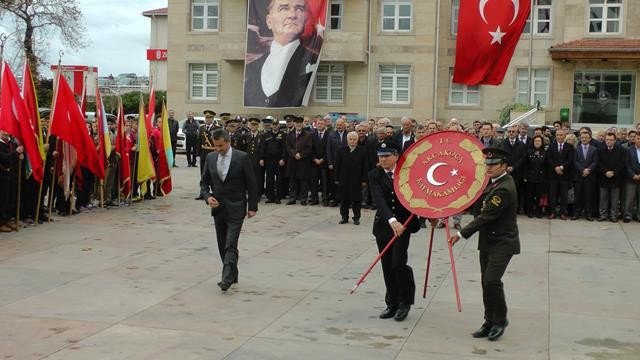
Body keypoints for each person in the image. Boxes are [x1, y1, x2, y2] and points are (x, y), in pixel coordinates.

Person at [449, 147, 520, 342]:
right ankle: (489, 320)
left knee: (491, 281)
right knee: (486, 283)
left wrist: (461, 234)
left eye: (493, 164)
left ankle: (500, 320)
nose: (488, 168)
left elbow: (487, 216)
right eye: (486, 164)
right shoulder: (495, 183)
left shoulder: (504, 187)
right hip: (489, 241)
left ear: (504, 166)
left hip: (503, 242)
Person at [200, 129, 258, 291]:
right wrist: (207, 197)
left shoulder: (242, 157)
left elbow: (252, 183)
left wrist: (253, 206)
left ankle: (226, 279)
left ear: (228, 141)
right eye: (215, 146)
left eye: (221, 146)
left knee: (230, 244)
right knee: (221, 244)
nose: (218, 149)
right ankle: (233, 273)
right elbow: (204, 183)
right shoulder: (211, 158)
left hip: (237, 206)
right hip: (218, 208)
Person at [369, 140, 420, 322]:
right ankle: (391, 303)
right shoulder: (375, 175)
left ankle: (405, 301)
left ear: (396, 156)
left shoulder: (408, 173)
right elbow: (379, 201)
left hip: (404, 226)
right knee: (387, 266)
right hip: (384, 226)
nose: (382, 159)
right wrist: (392, 220)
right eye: (380, 156)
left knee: (398, 263)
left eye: (386, 156)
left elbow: (420, 195)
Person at [244, 0, 319, 107]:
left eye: (299, 9)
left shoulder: (313, 61)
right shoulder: (251, 67)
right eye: (284, 8)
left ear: (305, 19)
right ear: (269, 21)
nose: (292, 15)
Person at [335, 132, 368, 225]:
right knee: (344, 200)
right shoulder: (341, 150)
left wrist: (364, 180)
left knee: (356, 200)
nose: (352, 141)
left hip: (357, 180)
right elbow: (337, 165)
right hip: (344, 179)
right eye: (351, 139)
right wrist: (336, 178)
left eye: (354, 139)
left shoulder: (362, 151)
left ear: (357, 140)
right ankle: (344, 217)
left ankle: (356, 218)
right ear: (347, 140)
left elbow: (365, 166)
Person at [285, 116, 312, 205]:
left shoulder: (307, 135)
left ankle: (303, 199)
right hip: (293, 160)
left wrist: (301, 154)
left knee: (303, 181)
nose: (299, 124)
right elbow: (288, 147)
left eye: (300, 123)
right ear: (294, 124)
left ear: (302, 124)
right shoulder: (290, 134)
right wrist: (294, 154)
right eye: (297, 123)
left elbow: (309, 148)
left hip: (303, 161)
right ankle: (292, 198)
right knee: (292, 181)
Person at [260, 117, 287, 203]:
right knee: (269, 179)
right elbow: (263, 148)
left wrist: (283, 158)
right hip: (269, 160)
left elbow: (284, 148)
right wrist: (261, 158)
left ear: (279, 125)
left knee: (279, 179)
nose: (275, 126)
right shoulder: (266, 135)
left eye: (276, 124)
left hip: (279, 160)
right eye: (273, 124)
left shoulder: (283, 135)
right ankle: (270, 197)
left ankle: (278, 197)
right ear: (271, 125)